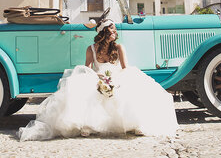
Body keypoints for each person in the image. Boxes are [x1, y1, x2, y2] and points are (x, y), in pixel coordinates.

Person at [18, 18, 178, 141]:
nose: (114, 33)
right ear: (104, 33)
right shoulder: (91, 49)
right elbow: (87, 68)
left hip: (117, 76)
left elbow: (125, 68)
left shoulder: (119, 47)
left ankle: (135, 123)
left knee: (129, 86)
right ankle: (87, 124)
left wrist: (115, 79)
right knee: (84, 86)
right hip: (98, 77)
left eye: (114, 30)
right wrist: (98, 76)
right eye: (111, 30)